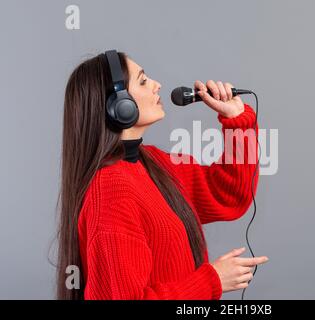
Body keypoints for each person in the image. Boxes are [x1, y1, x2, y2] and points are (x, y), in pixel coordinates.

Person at [56, 50, 268, 300]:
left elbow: (228, 195)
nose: (158, 85)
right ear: (118, 106)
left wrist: (236, 119)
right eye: (143, 81)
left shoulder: (153, 162)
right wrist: (213, 280)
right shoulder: (111, 192)